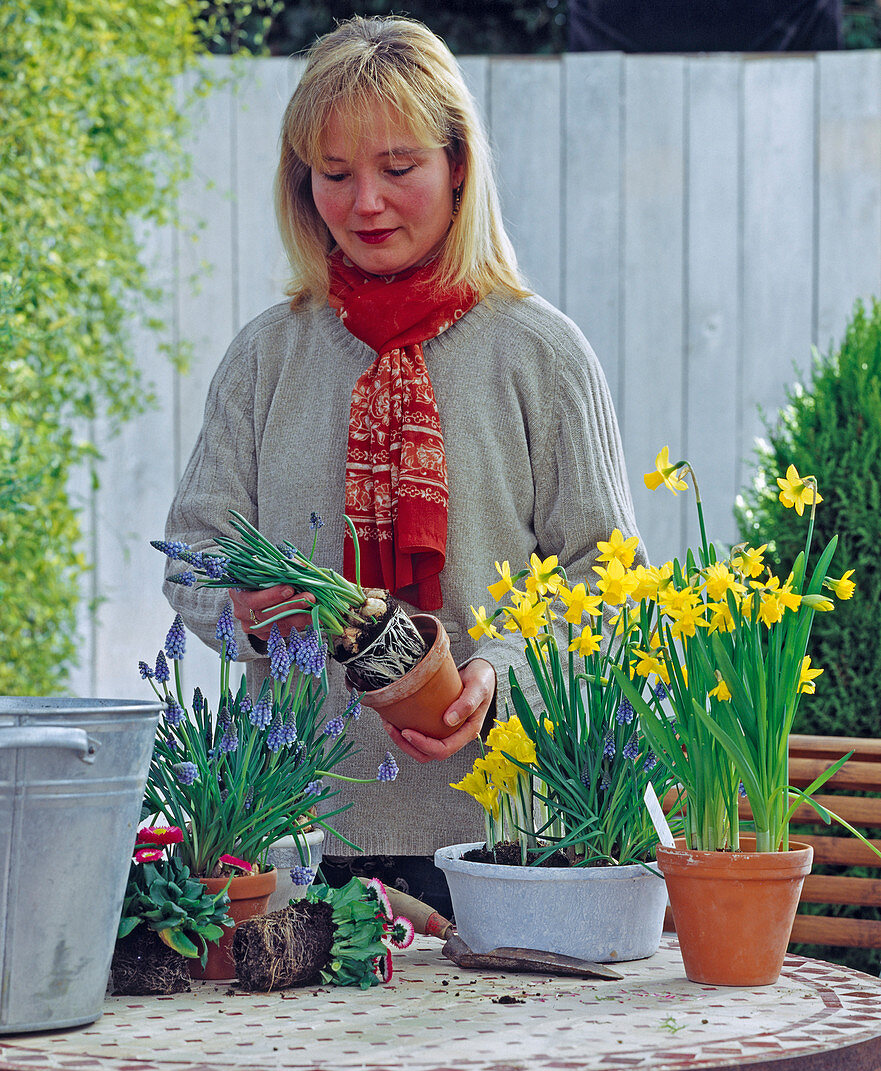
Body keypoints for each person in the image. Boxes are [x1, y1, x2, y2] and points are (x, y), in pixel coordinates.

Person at [162, 14, 645, 915]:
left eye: (398, 168)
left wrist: (503, 671)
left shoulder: (539, 351)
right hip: (295, 834)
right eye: (335, 175)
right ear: (301, 184)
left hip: (502, 839)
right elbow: (191, 550)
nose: (366, 204)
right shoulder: (268, 355)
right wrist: (237, 611)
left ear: (458, 163)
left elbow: (610, 578)